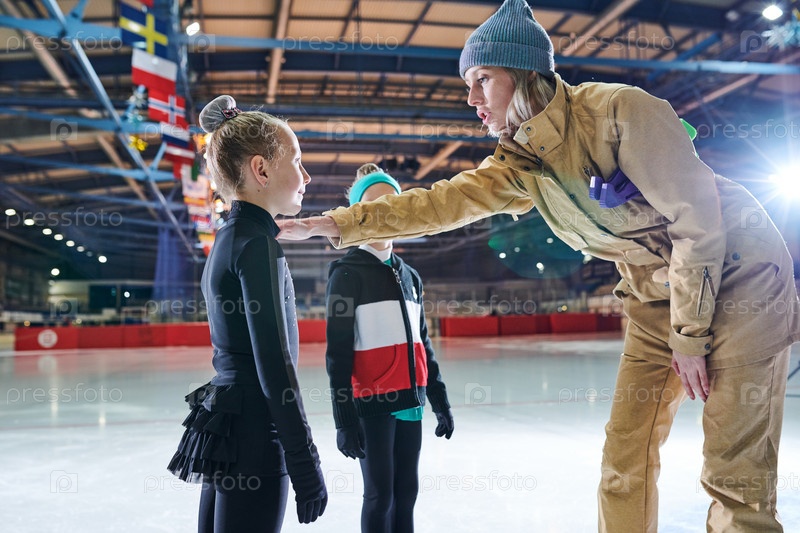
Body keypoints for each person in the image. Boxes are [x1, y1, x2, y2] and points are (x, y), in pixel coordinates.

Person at [277, 1, 800, 531]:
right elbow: (438, 203)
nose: (471, 99)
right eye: (467, 84)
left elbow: (699, 224)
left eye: (483, 79)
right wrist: (336, 223)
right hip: (654, 293)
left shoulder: (619, 112)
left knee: (733, 473)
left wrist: (690, 336)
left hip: (739, 275)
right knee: (624, 460)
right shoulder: (521, 163)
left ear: (525, 74)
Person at [167, 95, 327, 532]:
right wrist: (304, 461)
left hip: (228, 425)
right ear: (262, 170)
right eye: (297, 161)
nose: (307, 176)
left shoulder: (229, 237)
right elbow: (274, 366)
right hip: (256, 435)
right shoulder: (258, 246)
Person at [325, 164, 454, 533]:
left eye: (393, 204)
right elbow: (337, 355)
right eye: (373, 206)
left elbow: (422, 342)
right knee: (380, 496)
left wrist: (439, 399)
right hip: (372, 404)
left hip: (411, 400)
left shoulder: (411, 276)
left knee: (406, 491)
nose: (384, 213)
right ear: (358, 214)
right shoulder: (346, 273)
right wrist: (344, 419)